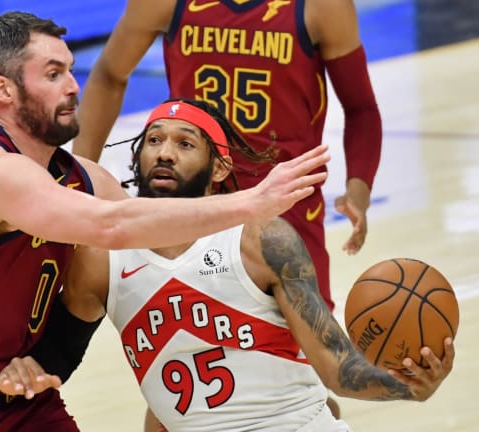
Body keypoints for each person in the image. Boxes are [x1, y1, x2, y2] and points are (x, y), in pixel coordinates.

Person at [0, 12, 331, 432]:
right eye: (53, 74)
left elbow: (155, 242)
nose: (73, 86)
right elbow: (111, 226)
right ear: (4, 90)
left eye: (71, 69)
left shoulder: (82, 178)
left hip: (23, 397)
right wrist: (251, 203)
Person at [0, 99, 454, 432]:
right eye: (154, 140)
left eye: (184, 143)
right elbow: (57, 356)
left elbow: (339, 369)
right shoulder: (101, 259)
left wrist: (407, 385)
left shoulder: (260, 239)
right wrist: (25, 369)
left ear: (219, 169)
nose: (164, 153)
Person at [71, 0, 382, 416]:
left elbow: (361, 107)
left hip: (284, 220)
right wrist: (81, 180)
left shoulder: (320, 7)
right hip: (192, 214)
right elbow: (110, 73)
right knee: (179, 375)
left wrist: (359, 187)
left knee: (309, 378)